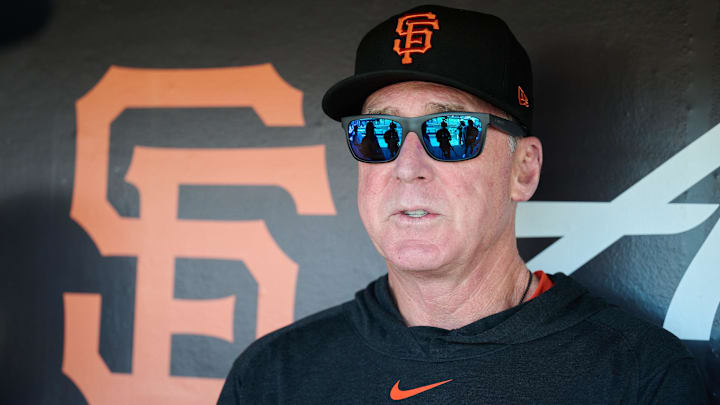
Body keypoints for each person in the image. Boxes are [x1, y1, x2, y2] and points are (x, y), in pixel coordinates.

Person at [218, 5, 706, 404]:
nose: (407, 167)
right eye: (377, 134)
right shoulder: (273, 375)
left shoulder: (640, 378)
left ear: (524, 170)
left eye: (451, 131)